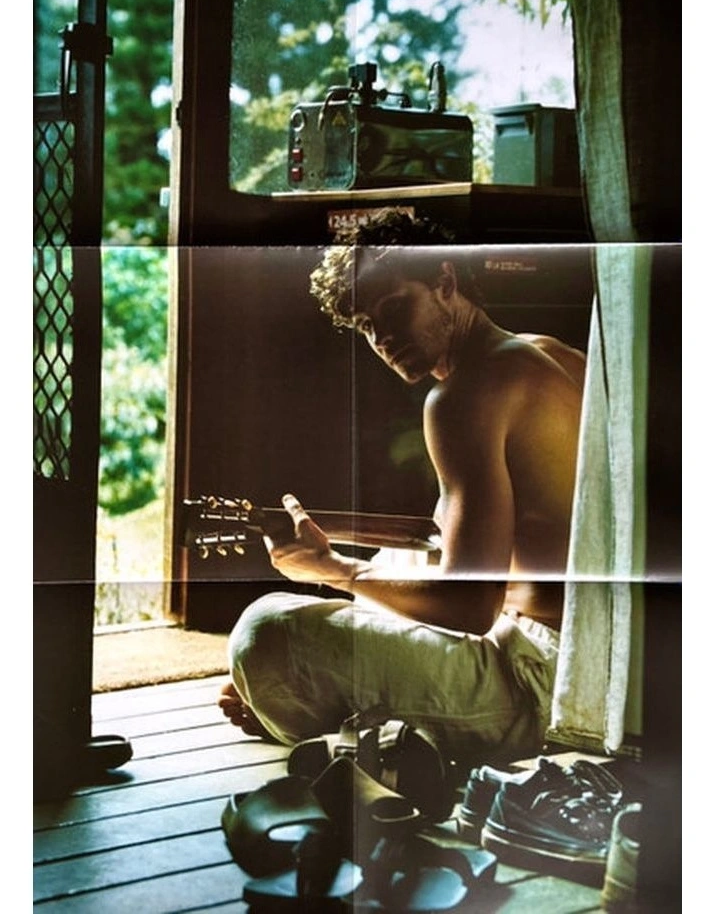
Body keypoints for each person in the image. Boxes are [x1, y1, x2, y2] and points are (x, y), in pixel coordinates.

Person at [219, 213, 587, 765]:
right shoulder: (552, 354)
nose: (382, 339)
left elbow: (469, 607)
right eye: (367, 326)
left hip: (540, 682)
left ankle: (308, 712)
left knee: (265, 632)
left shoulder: (463, 397)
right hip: (594, 655)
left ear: (445, 281)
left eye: (393, 309)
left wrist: (335, 569)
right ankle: (317, 704)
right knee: (398, 564)